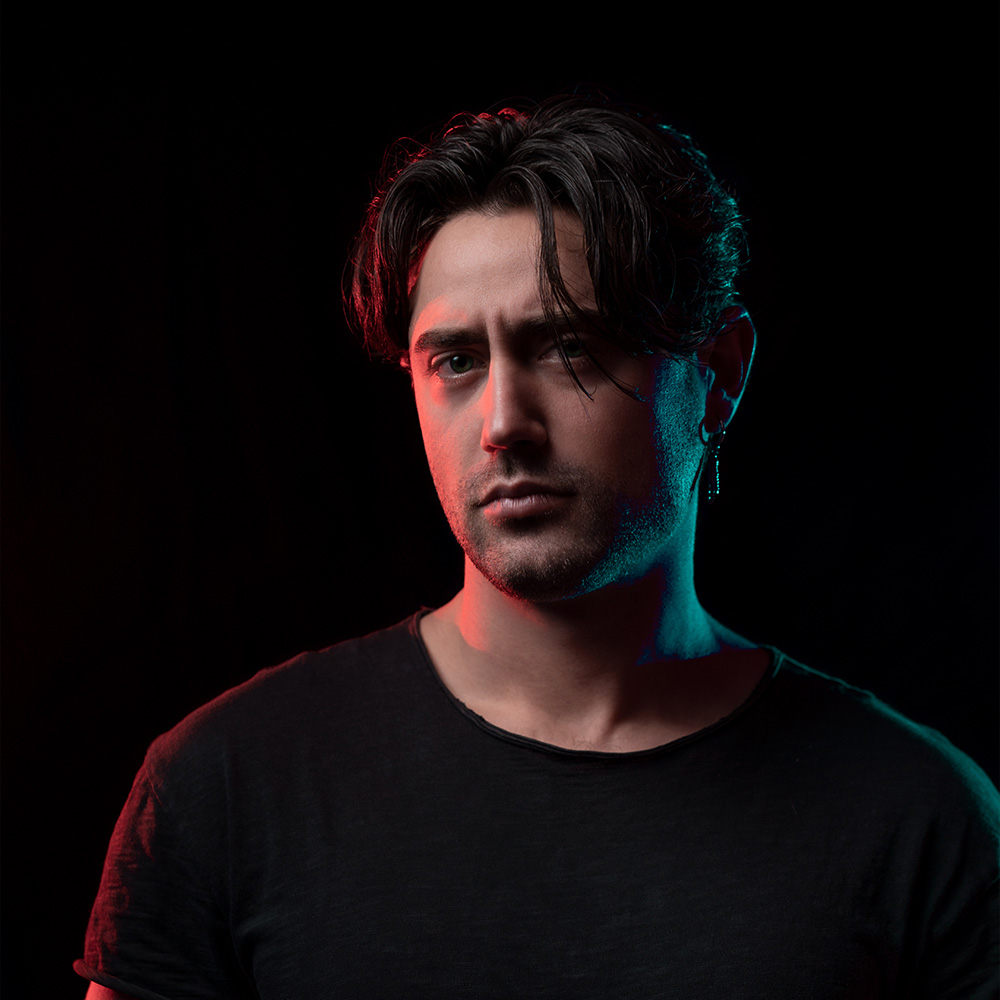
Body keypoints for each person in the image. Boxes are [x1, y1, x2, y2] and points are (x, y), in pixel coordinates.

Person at [76, 96, 998, 998]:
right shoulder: (226, 786)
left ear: (716, 376)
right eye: (456, 362)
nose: (502, 424)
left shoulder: (918, 818)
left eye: (567, 347)